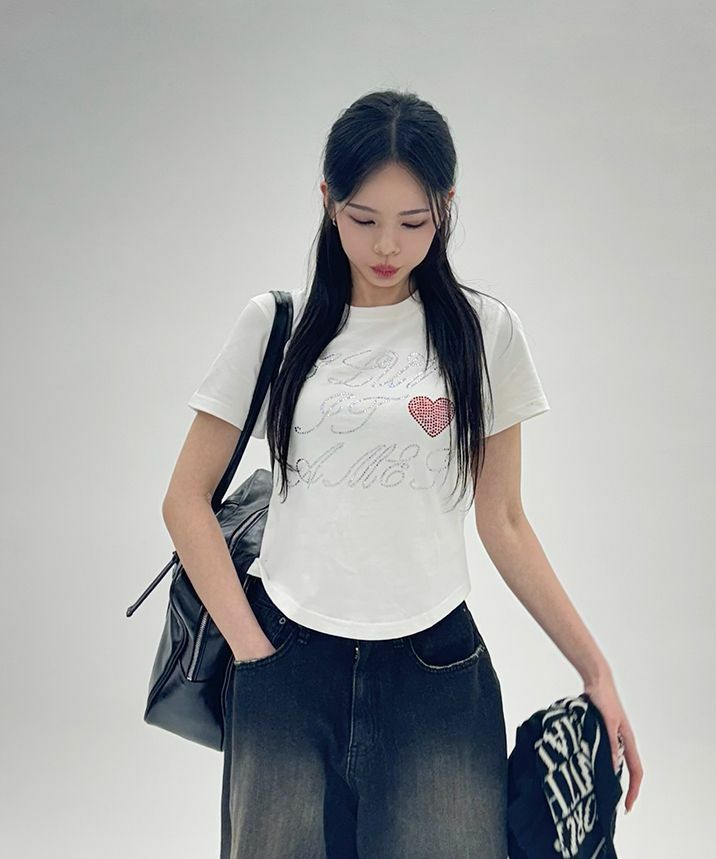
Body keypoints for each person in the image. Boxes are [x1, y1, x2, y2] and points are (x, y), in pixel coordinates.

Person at [161, 89, 643, 859]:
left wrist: (597, 669)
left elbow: (504, 519)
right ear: (328, 200)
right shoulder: (276, 325)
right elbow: (185, 501)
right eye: (363, 219)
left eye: (414, 222)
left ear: (446, 207)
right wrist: (256, 654)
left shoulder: (483, 333)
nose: (387, 244)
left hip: (436, 674)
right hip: (285, 663)